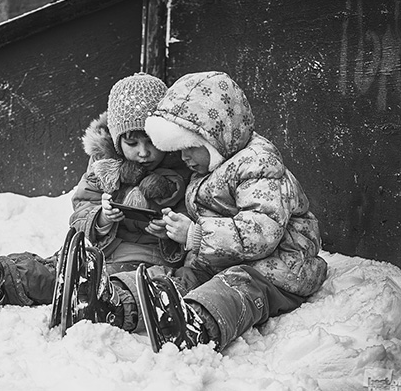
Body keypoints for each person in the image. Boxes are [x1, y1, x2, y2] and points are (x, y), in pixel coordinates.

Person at [74, 70, 328, 353]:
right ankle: (119, 302)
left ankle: (197, 323)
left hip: (278, 267)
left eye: (189, 148)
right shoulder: (206, 166)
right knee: (177, 279)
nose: (183, 158)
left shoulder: (259, 165)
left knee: (234, 288)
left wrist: (194, 234)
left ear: (213, 139)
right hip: (218, 258)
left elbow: (262, 233)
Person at [0, 72, 191, 323]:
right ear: (117, 140)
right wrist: (101, 218)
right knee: (55, 271)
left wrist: (169, 232)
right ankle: (2, 277)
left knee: (101, 282)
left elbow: (192, 222)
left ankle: (90, 298)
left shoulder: (183, 168)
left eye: (151, 142)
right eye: (132, 144)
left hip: (142, 258)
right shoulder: (104, 165)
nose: (143, 153)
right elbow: (83, 205)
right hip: (94, 250)